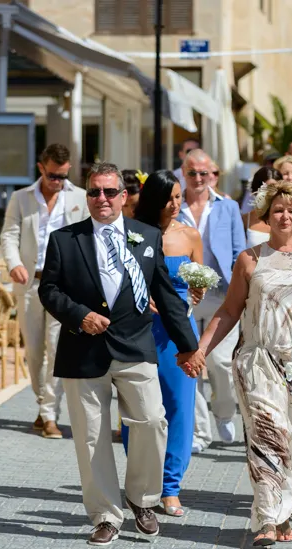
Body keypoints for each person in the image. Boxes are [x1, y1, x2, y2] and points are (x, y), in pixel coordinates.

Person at [38, 162, 203, 546]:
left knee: (151, 420)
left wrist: (188, 347)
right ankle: (106, 516)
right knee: (92, 436)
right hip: (84, 350)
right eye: (94, 192)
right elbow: (50, 290)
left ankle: (142, 498)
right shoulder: (65, 239)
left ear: (123, 196)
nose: (102, 199)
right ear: (87, 196)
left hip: (135, 345)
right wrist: (80, 315)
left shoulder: (146, 236)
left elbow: (165, 294)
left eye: (110, 192)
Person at [197, 180, 292, 547]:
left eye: (291, 210)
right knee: (266, 434)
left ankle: (286, 512)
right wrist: (201, 351)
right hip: (258, 360)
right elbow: (228, 311)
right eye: (277, 210)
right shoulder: (250, 259)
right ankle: (268, 519)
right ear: (266, 216)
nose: (284, 216)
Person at [120, 170, 204, 517]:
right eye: (169, 198)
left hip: (178, 332)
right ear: (153, 199)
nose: (175, 204)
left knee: (180, 409)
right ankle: (141, 483)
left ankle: (170, 487)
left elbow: (199, 278)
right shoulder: (132, 234)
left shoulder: (190, 236)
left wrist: (197, 292)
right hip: (137, 330)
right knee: (138, 410)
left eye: (179, 197)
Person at [0, 143, 89, 438]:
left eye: (63, 176)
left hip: (63, 287)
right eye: (53, 176)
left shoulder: (78, 198)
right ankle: (43, 406)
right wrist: (14, 263)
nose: (58, 182)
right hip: (29, 283)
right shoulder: (21, 198)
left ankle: (50, 414)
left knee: (55, 350)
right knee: (35, 352)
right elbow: (9, 235)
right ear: (41, 168)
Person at [179, 149, 247, 447]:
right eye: (192, 172)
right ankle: (199, 431)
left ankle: (223, 413)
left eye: (203, 173)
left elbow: (238, 251)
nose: (197, 179)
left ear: (213, 175)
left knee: (220, 362)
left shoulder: (227, 207)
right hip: (185, 294)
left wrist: (239, 290)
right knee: (189, 361)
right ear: (183, 172)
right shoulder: (174, 203)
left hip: (222, 294)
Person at [244, 166, 280, 246]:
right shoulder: (245, 219)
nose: (269, 193)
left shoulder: (288, 217)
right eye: (265, 188)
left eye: (273, 188)